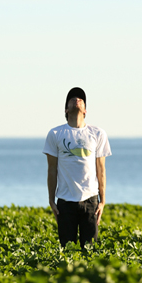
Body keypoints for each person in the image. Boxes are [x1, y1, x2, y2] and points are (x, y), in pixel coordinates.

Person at [43, 87, 111, 250]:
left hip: (90, 200)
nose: (77, 99)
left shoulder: (98, 133)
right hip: (65, 202)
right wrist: (51, 200)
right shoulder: (55, 134)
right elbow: (52, 170)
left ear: (85, 110)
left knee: (90, 251)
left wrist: (102, 201)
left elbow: (101, 170)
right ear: (66, 109)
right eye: (72, 98)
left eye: (81, 99)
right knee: (67, 251)